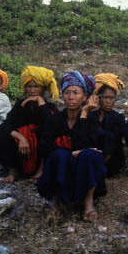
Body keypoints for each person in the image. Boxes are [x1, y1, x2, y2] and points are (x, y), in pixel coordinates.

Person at [36, 71, 105, 222]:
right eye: (67, 92)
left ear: (85, 97)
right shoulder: (55, 120)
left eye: (76, 92)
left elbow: (91, 147)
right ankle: (56, 202)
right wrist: (71, 154)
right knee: (60, 155)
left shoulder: (91, 119)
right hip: (60, 168)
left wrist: (84, 114)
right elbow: (45, 147)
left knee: (90, 155)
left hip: (83, 170)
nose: (71, 97)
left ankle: (88, 202)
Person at [1, 66, 59, 183]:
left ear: (42, 89)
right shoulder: (20, 105)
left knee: (49, 132)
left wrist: (40, 102)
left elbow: (53, 125)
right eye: (29, 86)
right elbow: (7, 125)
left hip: (39, 151)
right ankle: (13, 171)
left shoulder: (49, 107)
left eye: (36, 87)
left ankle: (41, 170)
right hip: (20, 150)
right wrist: (21, 137)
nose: (32, 90)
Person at [89, 73, 127, 177]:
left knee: (108, 137)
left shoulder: (119, 118)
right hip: (93, 155)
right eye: (105, 97)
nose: (108, 101)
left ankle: (98, 168)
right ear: (99, 98)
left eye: (112, 98)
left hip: (112, 161)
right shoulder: (91, 115)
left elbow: (115, 140)